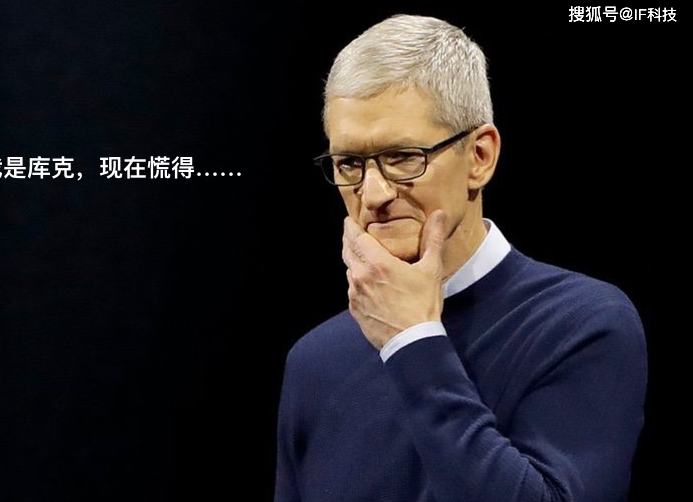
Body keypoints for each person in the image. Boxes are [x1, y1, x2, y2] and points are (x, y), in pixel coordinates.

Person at [274, 14, 646, 502]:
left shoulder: (583, 324)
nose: (374, 193)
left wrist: (412, 340)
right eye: (349, 164)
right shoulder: (315, 360)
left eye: (403, 157)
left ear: (480, 157)